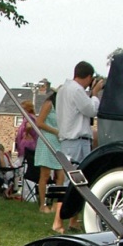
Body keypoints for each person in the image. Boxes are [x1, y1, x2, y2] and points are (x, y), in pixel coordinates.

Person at [53, 62, 105, 232]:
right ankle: (58, 221)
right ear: (89, 77)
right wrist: (95, 94)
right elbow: (90, 110)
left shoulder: (64, 89)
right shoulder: (76, 90)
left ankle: (72, 220)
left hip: (71, 139)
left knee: (78, 181)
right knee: (72, 181)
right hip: (76, 140)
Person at [33, 79, 64, 213]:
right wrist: (55, 131)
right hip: (47, 140)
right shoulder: (49, 104)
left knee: (61, 173)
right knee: (45, 175)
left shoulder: (64, 107)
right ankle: (42, 204)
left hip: (60, 142)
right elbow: (39, 122)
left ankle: (58, 205)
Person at [15, 98, 38, 196]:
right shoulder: (32, 117)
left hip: (27, 148)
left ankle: (26, 193)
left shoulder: (29, 118)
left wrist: (27, 133)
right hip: (28, 148)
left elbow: (29, 126)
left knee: (24, 169)